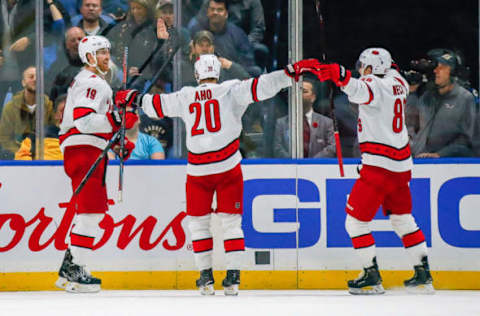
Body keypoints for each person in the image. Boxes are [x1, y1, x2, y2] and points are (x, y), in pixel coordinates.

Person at [114, 54, 319, 295]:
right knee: (231, 224)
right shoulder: (231, 89)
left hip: (197, 171)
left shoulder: (186, 95)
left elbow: (157, 105)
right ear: (217, 73)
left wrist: (133, 97)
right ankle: (232, 277)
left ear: (197, 74)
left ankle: (205, 277)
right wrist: (289, 73)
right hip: (227, 167)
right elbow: (263, 85)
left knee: (198, 225)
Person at [314, 48, 434, 295]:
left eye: (363, 66)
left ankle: (371, 275)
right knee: (402, 219)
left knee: (355, 223)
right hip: (401, 167)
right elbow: (387, 71)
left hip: (379, 167)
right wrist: (343, 76)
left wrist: (339, 75)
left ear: (369, 68)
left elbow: (358, 89)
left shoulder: (372, 84)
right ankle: (423, 274)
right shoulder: (397, 80)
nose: (361, 70)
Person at [55, 35, 136, 293]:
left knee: (89, 211)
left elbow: (92, 125)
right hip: (84, 151)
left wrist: (115, 143)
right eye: (100, 52)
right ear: (88, 56)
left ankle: (71, 266)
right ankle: (76, 267)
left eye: (107, 52)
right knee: (92, 211)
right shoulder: (93, 83)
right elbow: (85, 121)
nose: (106, 57)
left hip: (86, 149)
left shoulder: (92, 82)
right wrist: (117, 118)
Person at [411, 49, 476, 158]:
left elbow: (467, 139)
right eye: (435, 67)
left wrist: (440, 154)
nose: (436, 71)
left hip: (445, 164)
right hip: (418, 161)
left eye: (441, 67)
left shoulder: (464, 98)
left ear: (452, 71)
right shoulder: (426, 97)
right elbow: (413, 128)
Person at [188, 0, 260, 76]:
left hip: (231, 82)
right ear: (207, 12)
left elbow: (248, 67)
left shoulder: (238, 35)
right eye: (212, 9)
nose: (215, 12)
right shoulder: (195, 31)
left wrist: (231, 66)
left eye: (220, 10)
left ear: (226, 14)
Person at [0, 66, 56, 156]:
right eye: (31, 77)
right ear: (23, 82)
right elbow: (4, 138)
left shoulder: (49, 106)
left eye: (38, 77)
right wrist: (20, 152)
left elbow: (55, 133)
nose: (35, 80)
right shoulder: (10, 107)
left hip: (44, 154)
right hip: (18, 155)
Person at [274, 77, 335, 158]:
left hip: (318, 168)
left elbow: (332, 147)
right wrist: (293, 163)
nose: (300, 94)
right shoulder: (281, 123)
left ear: (313, 97)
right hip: (289, 168)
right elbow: (277, 148)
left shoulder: (327, 123)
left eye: (304, 91)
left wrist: (311, 163)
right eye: (297, 91)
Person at [15, 93, 66, 160]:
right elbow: (21, 161)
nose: (67, 114)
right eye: (63, 110)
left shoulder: (82, 137)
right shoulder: (36, 136)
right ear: (55, 115)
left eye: (70, 110)